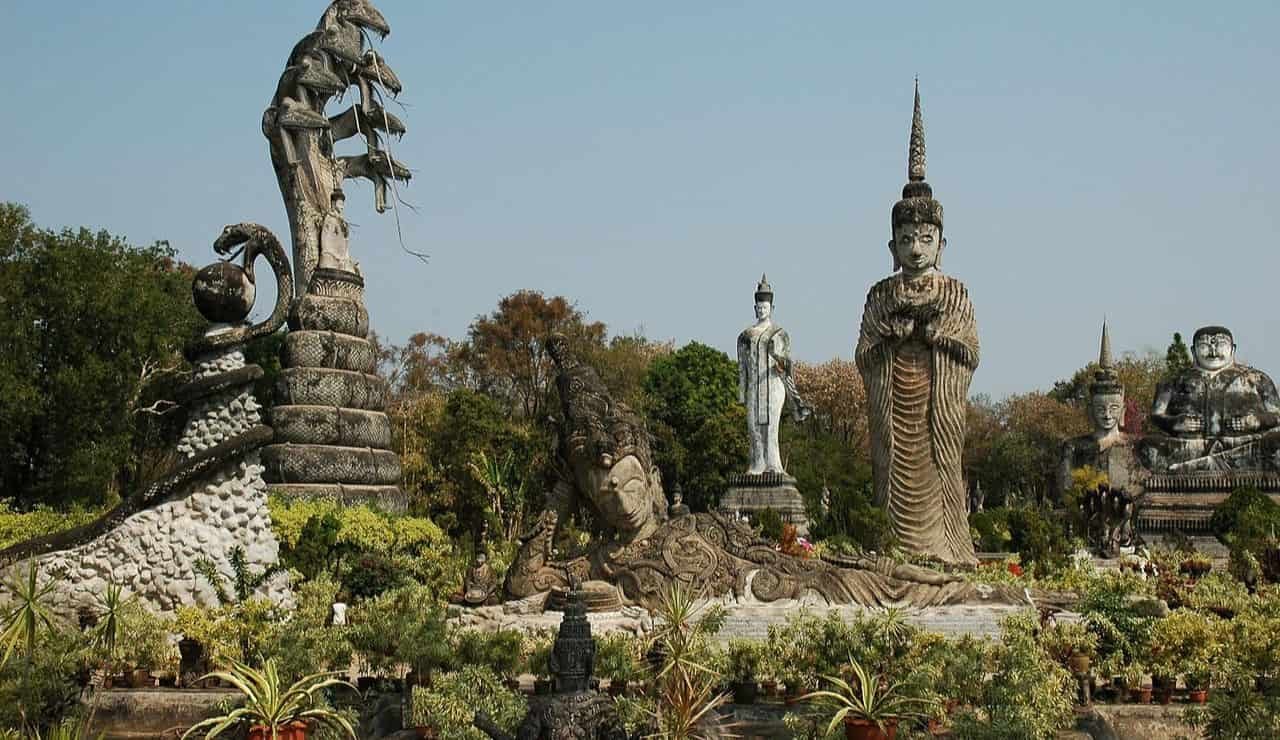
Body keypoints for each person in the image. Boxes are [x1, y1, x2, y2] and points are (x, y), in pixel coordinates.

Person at [855, 82, 978, 567]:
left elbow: (970, 351)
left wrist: (936, 336)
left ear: (942, 244)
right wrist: (891, 338)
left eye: (925, 238)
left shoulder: (955, 292)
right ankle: (892, 547)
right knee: (890, 470)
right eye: (906, 238)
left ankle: (948, 549)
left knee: (943, 465)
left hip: (937, 408)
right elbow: (863, 355)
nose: (916, 248)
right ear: (892, 246)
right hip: (894, 409)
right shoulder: (880, 294)